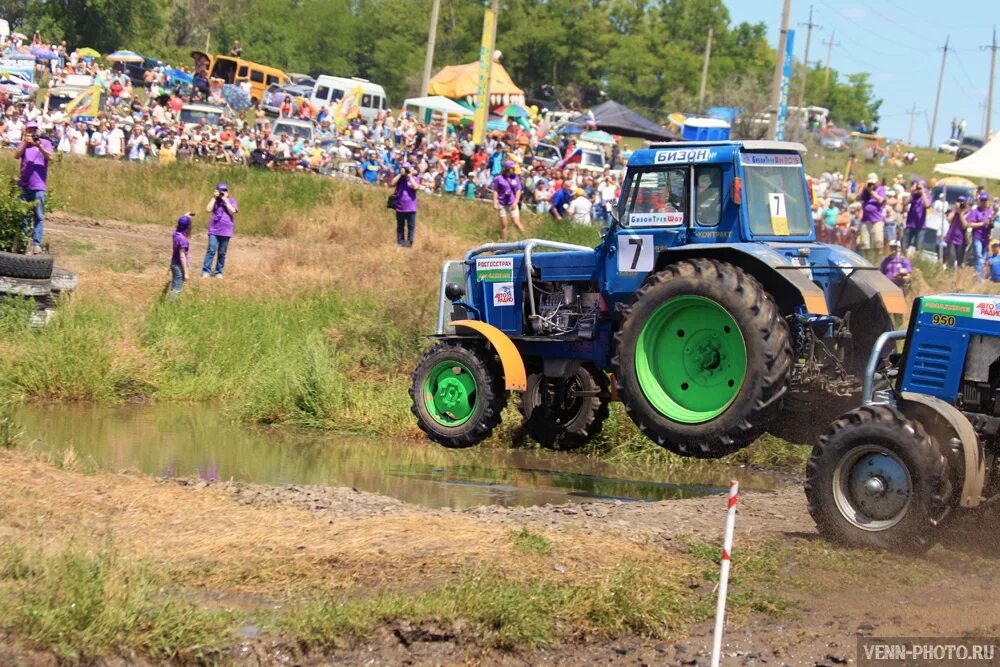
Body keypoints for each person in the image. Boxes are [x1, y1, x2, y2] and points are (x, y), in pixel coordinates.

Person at [14, 120, 53, 254]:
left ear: (37, 130)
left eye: (34, 130)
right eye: (29, 130)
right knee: (23, 215)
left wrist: (39, 145)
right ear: (26, 131)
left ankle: (36, 243)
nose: (32, 132)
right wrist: (25, 142)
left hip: (39, 186)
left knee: (39, 215)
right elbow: (16, 155)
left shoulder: (45, 142)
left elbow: (50, 157)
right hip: (24, 185)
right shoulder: (24, 144)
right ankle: (24, 242)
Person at [202, 183, 237, 278]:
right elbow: (208, 209)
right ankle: (206, 271)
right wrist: (214, 198)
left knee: (222, 252)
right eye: (221, 191)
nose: (223, 193)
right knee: (211, 250)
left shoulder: (231, 201)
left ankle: (218, 272)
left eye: (224, 191)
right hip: (214, 230)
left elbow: (232, 211)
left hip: (226, 231)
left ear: (228, 192)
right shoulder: (215, 201)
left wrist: (225, 200)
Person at [491, 160, 524, 240]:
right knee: (504, 225)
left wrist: (516, 202)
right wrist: (495, 202)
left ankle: (526, 239)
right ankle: (504, 242)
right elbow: (495, 190)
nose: (513, 169)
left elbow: (518, 191)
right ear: (506, 168)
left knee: (516, 222)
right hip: (502, 203)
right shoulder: (498, 178)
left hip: (512, 203)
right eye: (511, 168)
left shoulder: (515, 178)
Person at [855, 172, 885, 253]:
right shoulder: (865, 190)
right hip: (865, 220)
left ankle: (877, 258)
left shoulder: (881, 189)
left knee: (878, 242)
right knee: (864, 243)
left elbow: (880, 200)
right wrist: (863, 189)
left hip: (877, 220)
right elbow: (857, 198)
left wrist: (871, 191)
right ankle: (866, 258)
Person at [967, 191, 994, 282]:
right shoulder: (975, 212)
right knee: (978, 256)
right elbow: (970, 224)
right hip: (977, 236)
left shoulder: (990, 212)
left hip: (985, 237)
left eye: (985, 200)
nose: (984, 202)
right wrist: (982, 223)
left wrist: (990, 231)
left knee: (983, 258)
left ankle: (980, 275)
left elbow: (991, 225)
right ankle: (979, 278)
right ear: (980, 201)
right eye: (982, 200)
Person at [391, 162, 419, 247]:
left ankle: (409, 243)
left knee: (411, 227)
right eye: (404, 168)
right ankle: (400, 242)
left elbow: (416, 187)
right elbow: (392, 183)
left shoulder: (414, 178)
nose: (406, 170)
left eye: (407, 168)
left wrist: (409, 176)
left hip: (411, 207)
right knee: (400, 226)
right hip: (400, 207)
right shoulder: (399, 179)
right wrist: (400, 174)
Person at [902, 180, 930, 253]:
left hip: (920, 227)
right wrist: (912, 193)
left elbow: (927, 205)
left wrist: (923, 193)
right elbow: (905, 203)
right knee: (904, 247)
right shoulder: (914, 195)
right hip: (910, 225)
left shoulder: (927, 196)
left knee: (919, 248)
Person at [170, 213, 193, 298]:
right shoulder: (183, 240)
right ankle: (171, 305)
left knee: (174, 285)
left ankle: (169, 304)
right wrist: (186, 273)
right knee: (177, 289)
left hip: (173, 263)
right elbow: (182, 256)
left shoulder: (175, 233)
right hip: (179, 266)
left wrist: (185, 216)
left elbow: (180, 225)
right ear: (188, 227)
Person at [943, 196, 969, 269]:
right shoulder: (953, 212)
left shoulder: (967, 213)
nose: (960, 203)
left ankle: (959, 277)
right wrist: (955, 210)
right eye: (958, 201)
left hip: (961, 240)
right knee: (951, 259)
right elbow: (948, 220)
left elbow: (965, 225)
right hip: (951, 239)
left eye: (962, 201)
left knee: (960, 262)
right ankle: (950, 273)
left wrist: (961, 213)